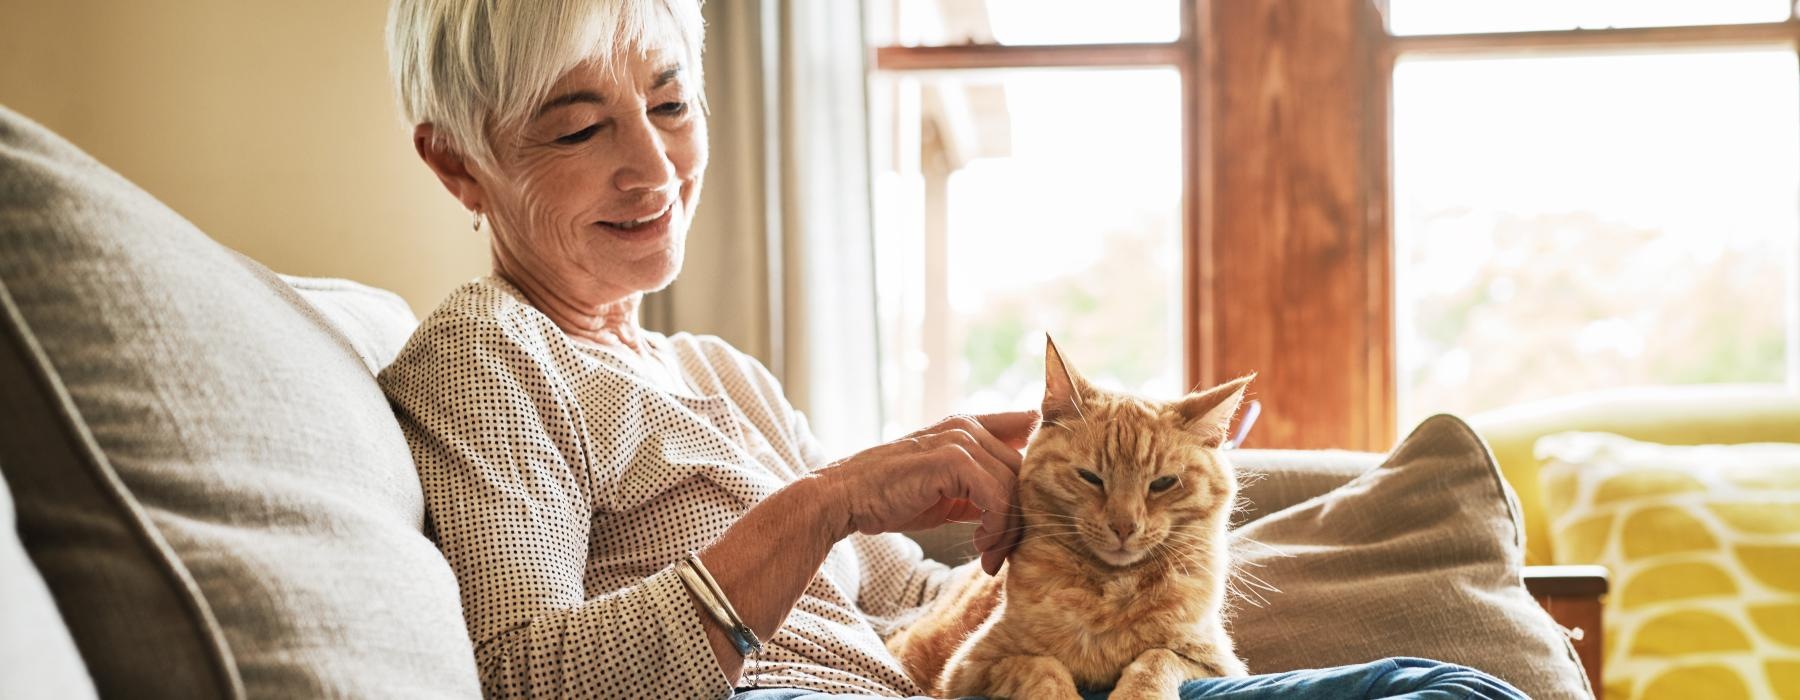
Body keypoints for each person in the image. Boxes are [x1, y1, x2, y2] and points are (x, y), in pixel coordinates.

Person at [377, 1, 1528, 698]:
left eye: (671, 106)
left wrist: (1065, 504)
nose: (654, 166)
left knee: (1451, 691)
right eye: (580, 127)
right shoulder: (487, 359)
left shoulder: (720, 374)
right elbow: (525, 681)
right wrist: (828, 499)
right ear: (457, 164)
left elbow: (916, 598)